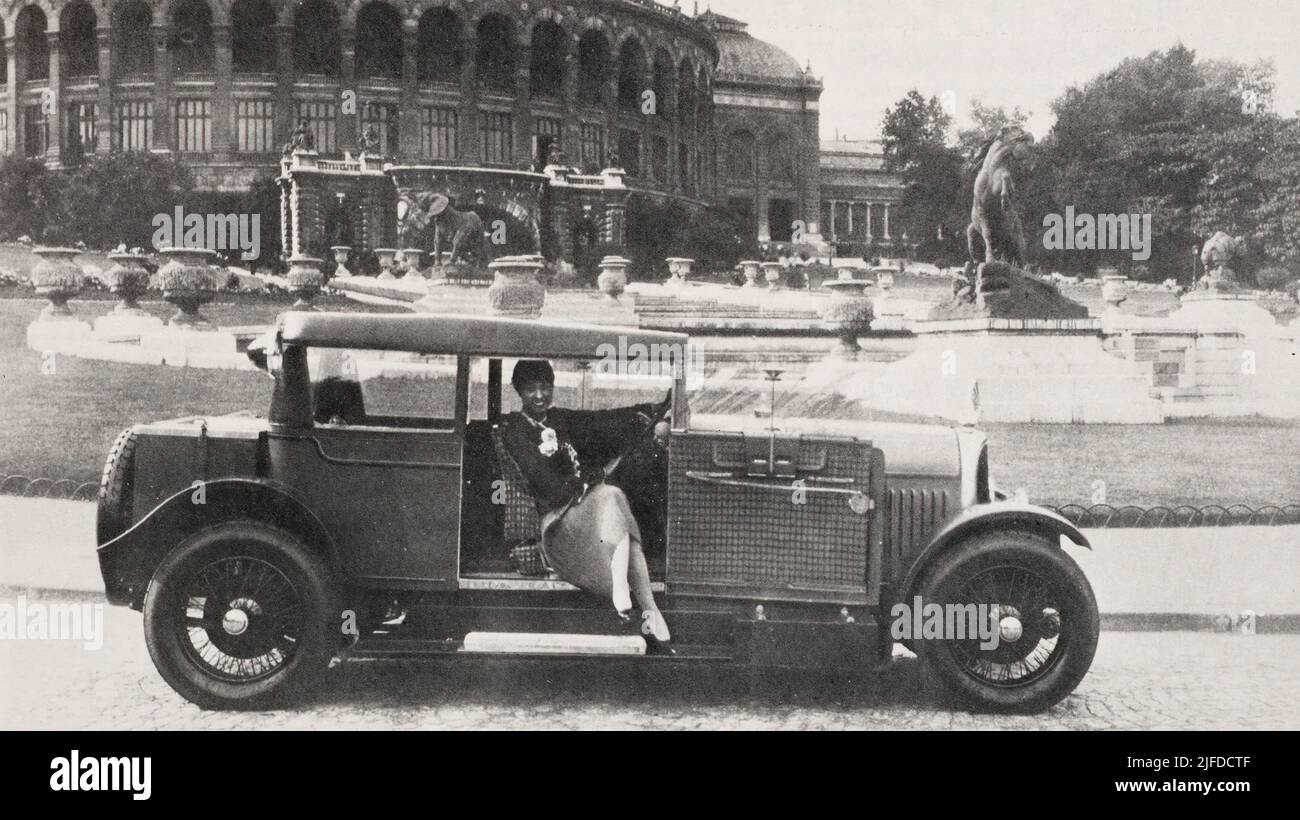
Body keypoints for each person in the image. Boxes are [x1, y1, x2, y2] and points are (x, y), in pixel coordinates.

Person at [501, 360, 674, 650]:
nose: (541, 395)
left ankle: (637, 600)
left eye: (546, 387)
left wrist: (653, 411)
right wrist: (583, 482)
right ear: (519, 391)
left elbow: (602, 421)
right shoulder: (516, 432)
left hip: (580, 507)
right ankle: (645, 607)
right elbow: (543, 482)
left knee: (613, 497)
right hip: (555, 522)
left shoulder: (559, 419)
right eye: (532, 389)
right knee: (609, 496)